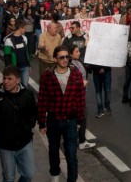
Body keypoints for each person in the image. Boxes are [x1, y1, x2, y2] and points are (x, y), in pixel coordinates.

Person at [37, 46, 85, 182]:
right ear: (55, 59)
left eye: (67, 57)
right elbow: (42, 100)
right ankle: (55, 175)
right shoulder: (48, 76)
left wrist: (80, 121)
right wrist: (41, 122)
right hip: (53, 120)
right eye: (61, 57)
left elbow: (81, 99)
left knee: (71, 154)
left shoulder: (76, 74)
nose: (65, 60)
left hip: (71, 120)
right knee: (53, 151)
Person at [0, 65, 37, 182]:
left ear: (18, 80)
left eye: (9, 79)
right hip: (5, 146)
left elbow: (34, 112)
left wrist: (28, 126)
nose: (6, 82)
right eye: (4, 78)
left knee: (29, 173)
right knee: (8, 178)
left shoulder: (27, 95)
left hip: (25, 143)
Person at [68, 45, 96, 150]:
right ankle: (80, 140)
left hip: (82, 93)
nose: (79, 53)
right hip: (76, 95)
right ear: (71, 54)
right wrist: (80, 83)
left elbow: (86, 70)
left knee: (81, 116)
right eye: (76, 52)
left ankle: (80, 139)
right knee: (81, 116)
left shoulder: (79, 62)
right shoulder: (70, 65)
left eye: (79, 51)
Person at [4, 19, 32, 87]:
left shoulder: (25, 39)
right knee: (15, 87)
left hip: (25, 67)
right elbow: (7, 58)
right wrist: (9, 72)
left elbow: (27, 53)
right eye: (24, 28)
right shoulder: (8, 41)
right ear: (20, 28)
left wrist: (29, 66)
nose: (25, 30)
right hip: (15, 69)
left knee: (24, 86)